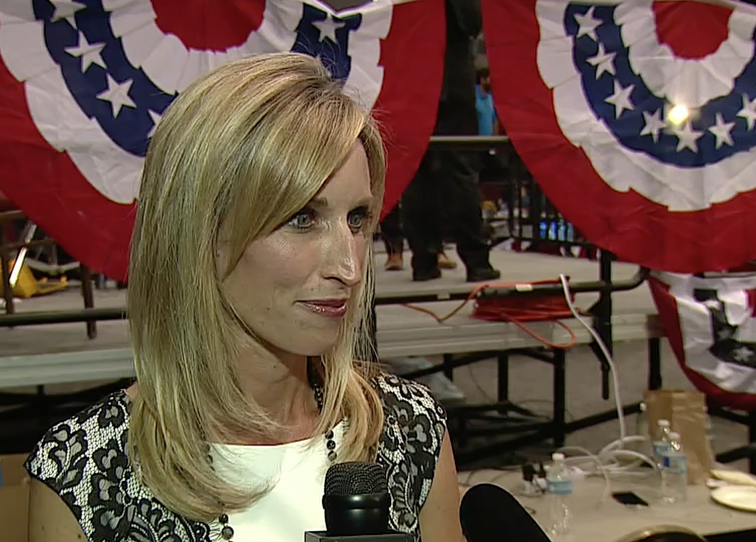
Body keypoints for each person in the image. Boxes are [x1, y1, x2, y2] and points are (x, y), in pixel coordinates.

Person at [25, 53, 463, 542]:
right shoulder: (86, 473)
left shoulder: (408, 430)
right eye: (303, 218)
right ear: (199, 231)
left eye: (356, 218)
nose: (350, 267)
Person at [401, 0, 500, 283]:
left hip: (410, 79)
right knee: (458, 171)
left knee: (418, 173)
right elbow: (471, 21)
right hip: (446, 79)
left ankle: (424, 259)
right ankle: (475, 259)